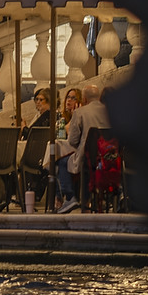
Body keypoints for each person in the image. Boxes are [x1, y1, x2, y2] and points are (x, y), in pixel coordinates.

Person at [56, 83, 111, 212]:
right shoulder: (110, 111)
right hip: (109, 157)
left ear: (84, 99)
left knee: (62, 162)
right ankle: (89, 201)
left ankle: (70, 197)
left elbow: (72, 141)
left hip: (88, 158)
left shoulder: (80, 112)